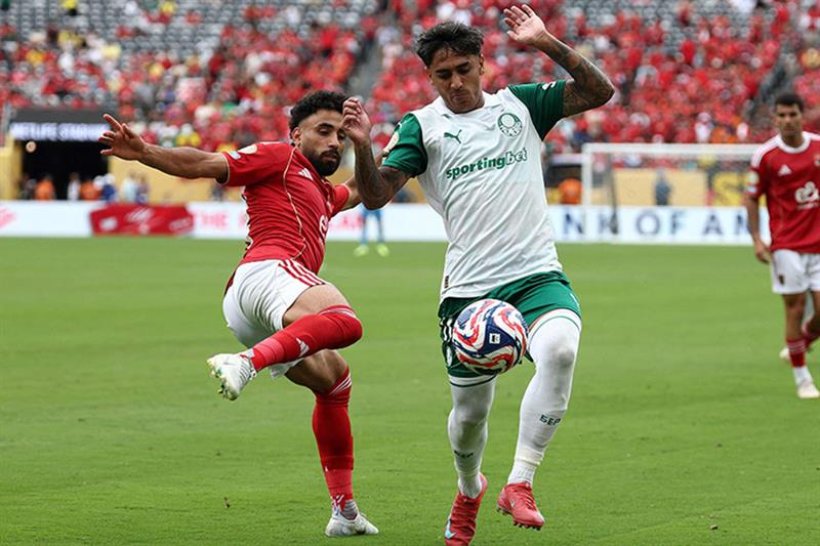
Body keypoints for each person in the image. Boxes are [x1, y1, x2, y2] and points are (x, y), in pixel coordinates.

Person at [343, 7, 614, 545]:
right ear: (429, 77)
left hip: (536, 275)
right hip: (469, 292)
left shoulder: (521, 105)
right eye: (443, 74)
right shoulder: (422, 127)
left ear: (482, 65)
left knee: (561, 350)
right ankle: (470, 488)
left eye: (464, 69)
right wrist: (362, 145)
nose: (456, 82)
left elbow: (598, 91)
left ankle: (520, 482)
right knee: (470, 414)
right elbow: (375, 196)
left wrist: (545, 41)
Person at [98, 90, 379, 537]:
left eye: (339, 137)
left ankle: (344, 512)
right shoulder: (279, 158)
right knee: (345, 321)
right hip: (267, 272)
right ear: (295, 135)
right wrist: (146, 152)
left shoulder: (324, 191)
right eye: (323, 131)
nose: (333, 142)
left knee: (335, 383)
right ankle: (246, 362)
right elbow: (205, 163)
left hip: (254, 308)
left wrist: (370, 144)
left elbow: (365, 188)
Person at [743, 92, 820, 400]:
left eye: (793, 114)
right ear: (775, 119)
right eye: (782, 115)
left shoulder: (818, 147)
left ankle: (800, 343)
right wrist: (756, 238)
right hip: (787, 244)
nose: (788, 120)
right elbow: (751, 197)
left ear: (803, 115)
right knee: (795, 308)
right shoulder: (766, 156)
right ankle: (803, 379)